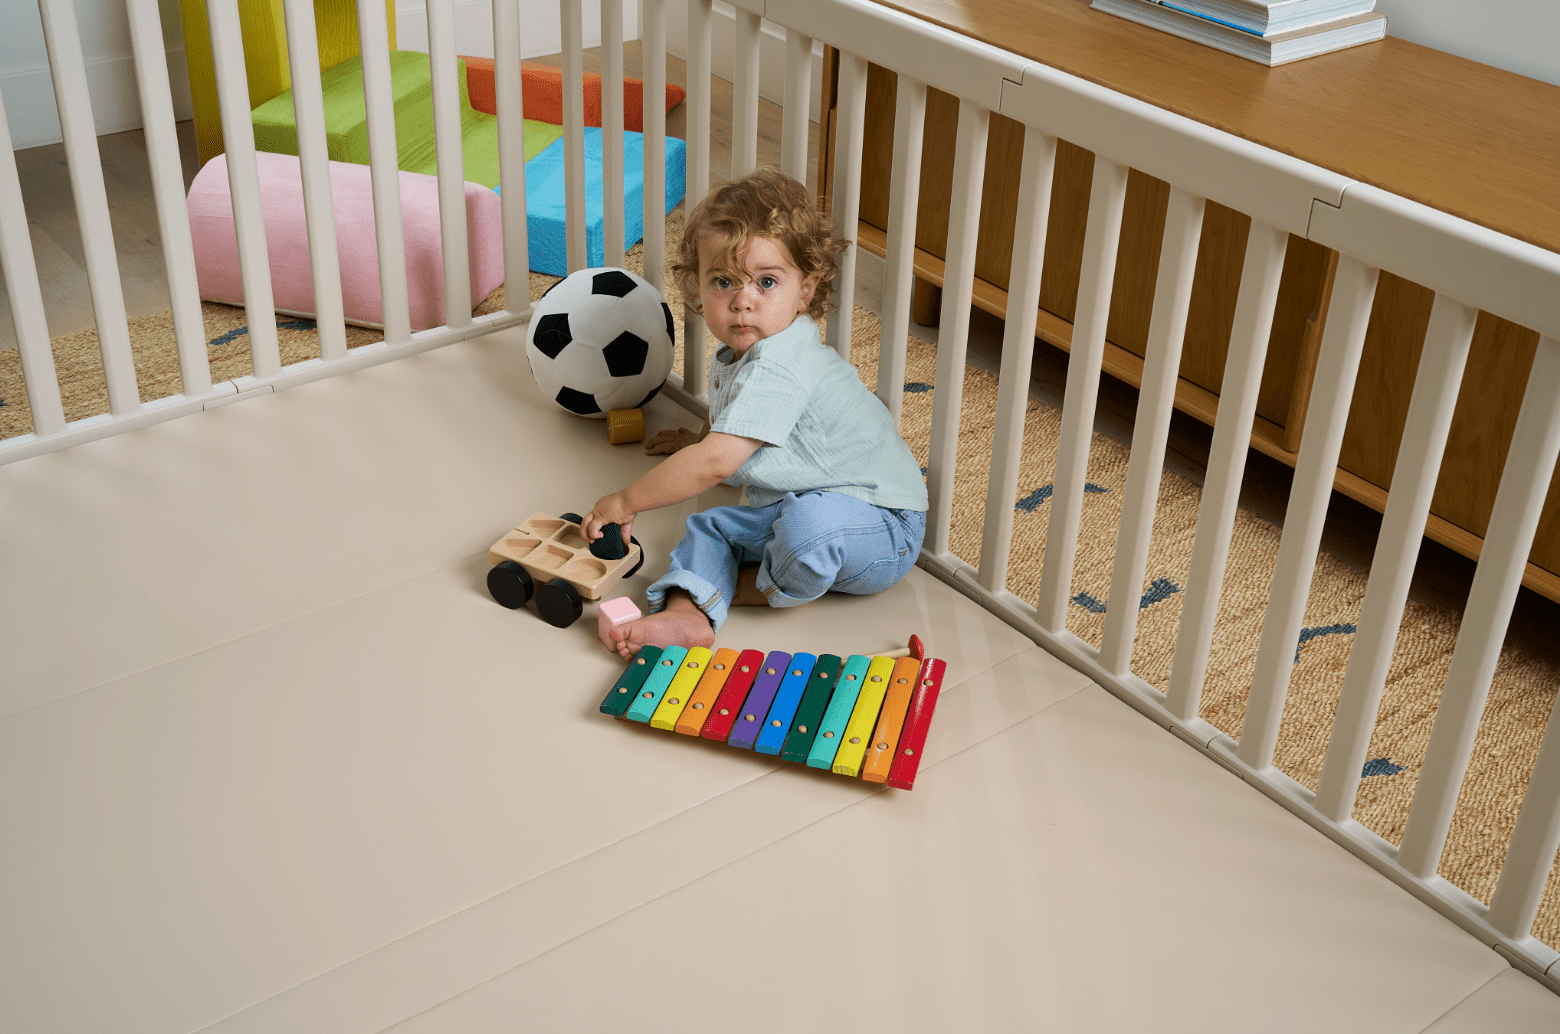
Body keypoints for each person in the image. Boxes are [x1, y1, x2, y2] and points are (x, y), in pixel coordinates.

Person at [581, 168, 927, 658]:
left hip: (881, 523)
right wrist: (701, 440)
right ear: (699, 286)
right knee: (712, 527)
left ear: (805, 290)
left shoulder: (782, 364)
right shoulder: (743, 356)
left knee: (810, 526)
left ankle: (756, 589)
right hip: (797, 504)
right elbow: (727, 423)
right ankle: (687, 614)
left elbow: (717, 464)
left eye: (767, 282)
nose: (743, 301)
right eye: (723, 281)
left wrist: (626, 500)